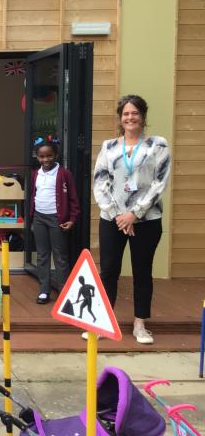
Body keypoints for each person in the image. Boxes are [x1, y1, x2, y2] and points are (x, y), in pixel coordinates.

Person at [93, 94, 171, 345]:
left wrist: (134, 213)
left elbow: (160, 184)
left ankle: (140, 325)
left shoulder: (158, 145)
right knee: (109, 271)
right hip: (112, 219)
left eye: (134, 113)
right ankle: (104, 323)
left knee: (142, 271)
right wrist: (119, 215)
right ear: (120, 118)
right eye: (125, 114)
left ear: (143, 116)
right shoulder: (109, 147)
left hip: (146, 220)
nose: (130, 117)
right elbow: (100, 182)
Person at [29, 137, 80, 304]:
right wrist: (31, 218)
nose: (45, 160)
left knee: (60, 256)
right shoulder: (36, 174)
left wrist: (72, 218)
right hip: (39, 217)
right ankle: (44, 290)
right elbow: (32, 196)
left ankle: (64, 291)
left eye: (49, 156)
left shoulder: (64, 174)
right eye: (42, 157)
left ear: (55, 155)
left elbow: (73, 198)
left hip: (56, 219)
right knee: (42, 255)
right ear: (37, 157)